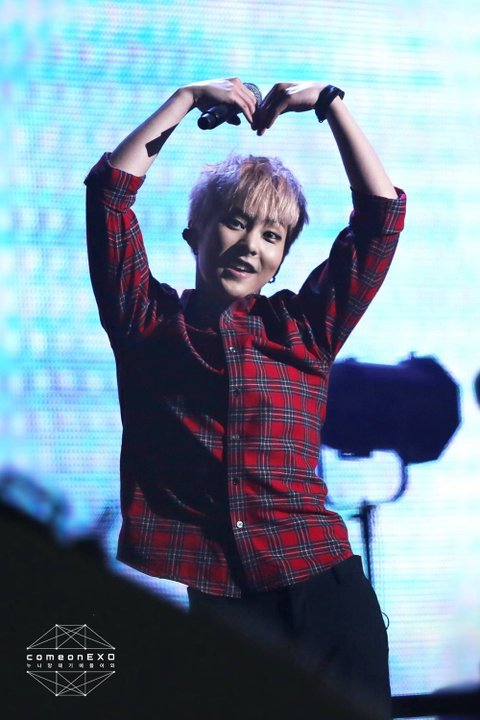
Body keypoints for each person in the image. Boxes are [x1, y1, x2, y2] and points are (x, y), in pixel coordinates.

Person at [85, 78, 406, 718]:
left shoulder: (305, 329)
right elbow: (109, 197)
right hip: (224, 608)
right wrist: (186, 98)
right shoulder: (145, 321)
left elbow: (381, 220)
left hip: (327, 592)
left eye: (272, 235)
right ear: (194, 234)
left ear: (281, 259)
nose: (250, 245)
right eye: (235, 222)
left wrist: (330, 104)